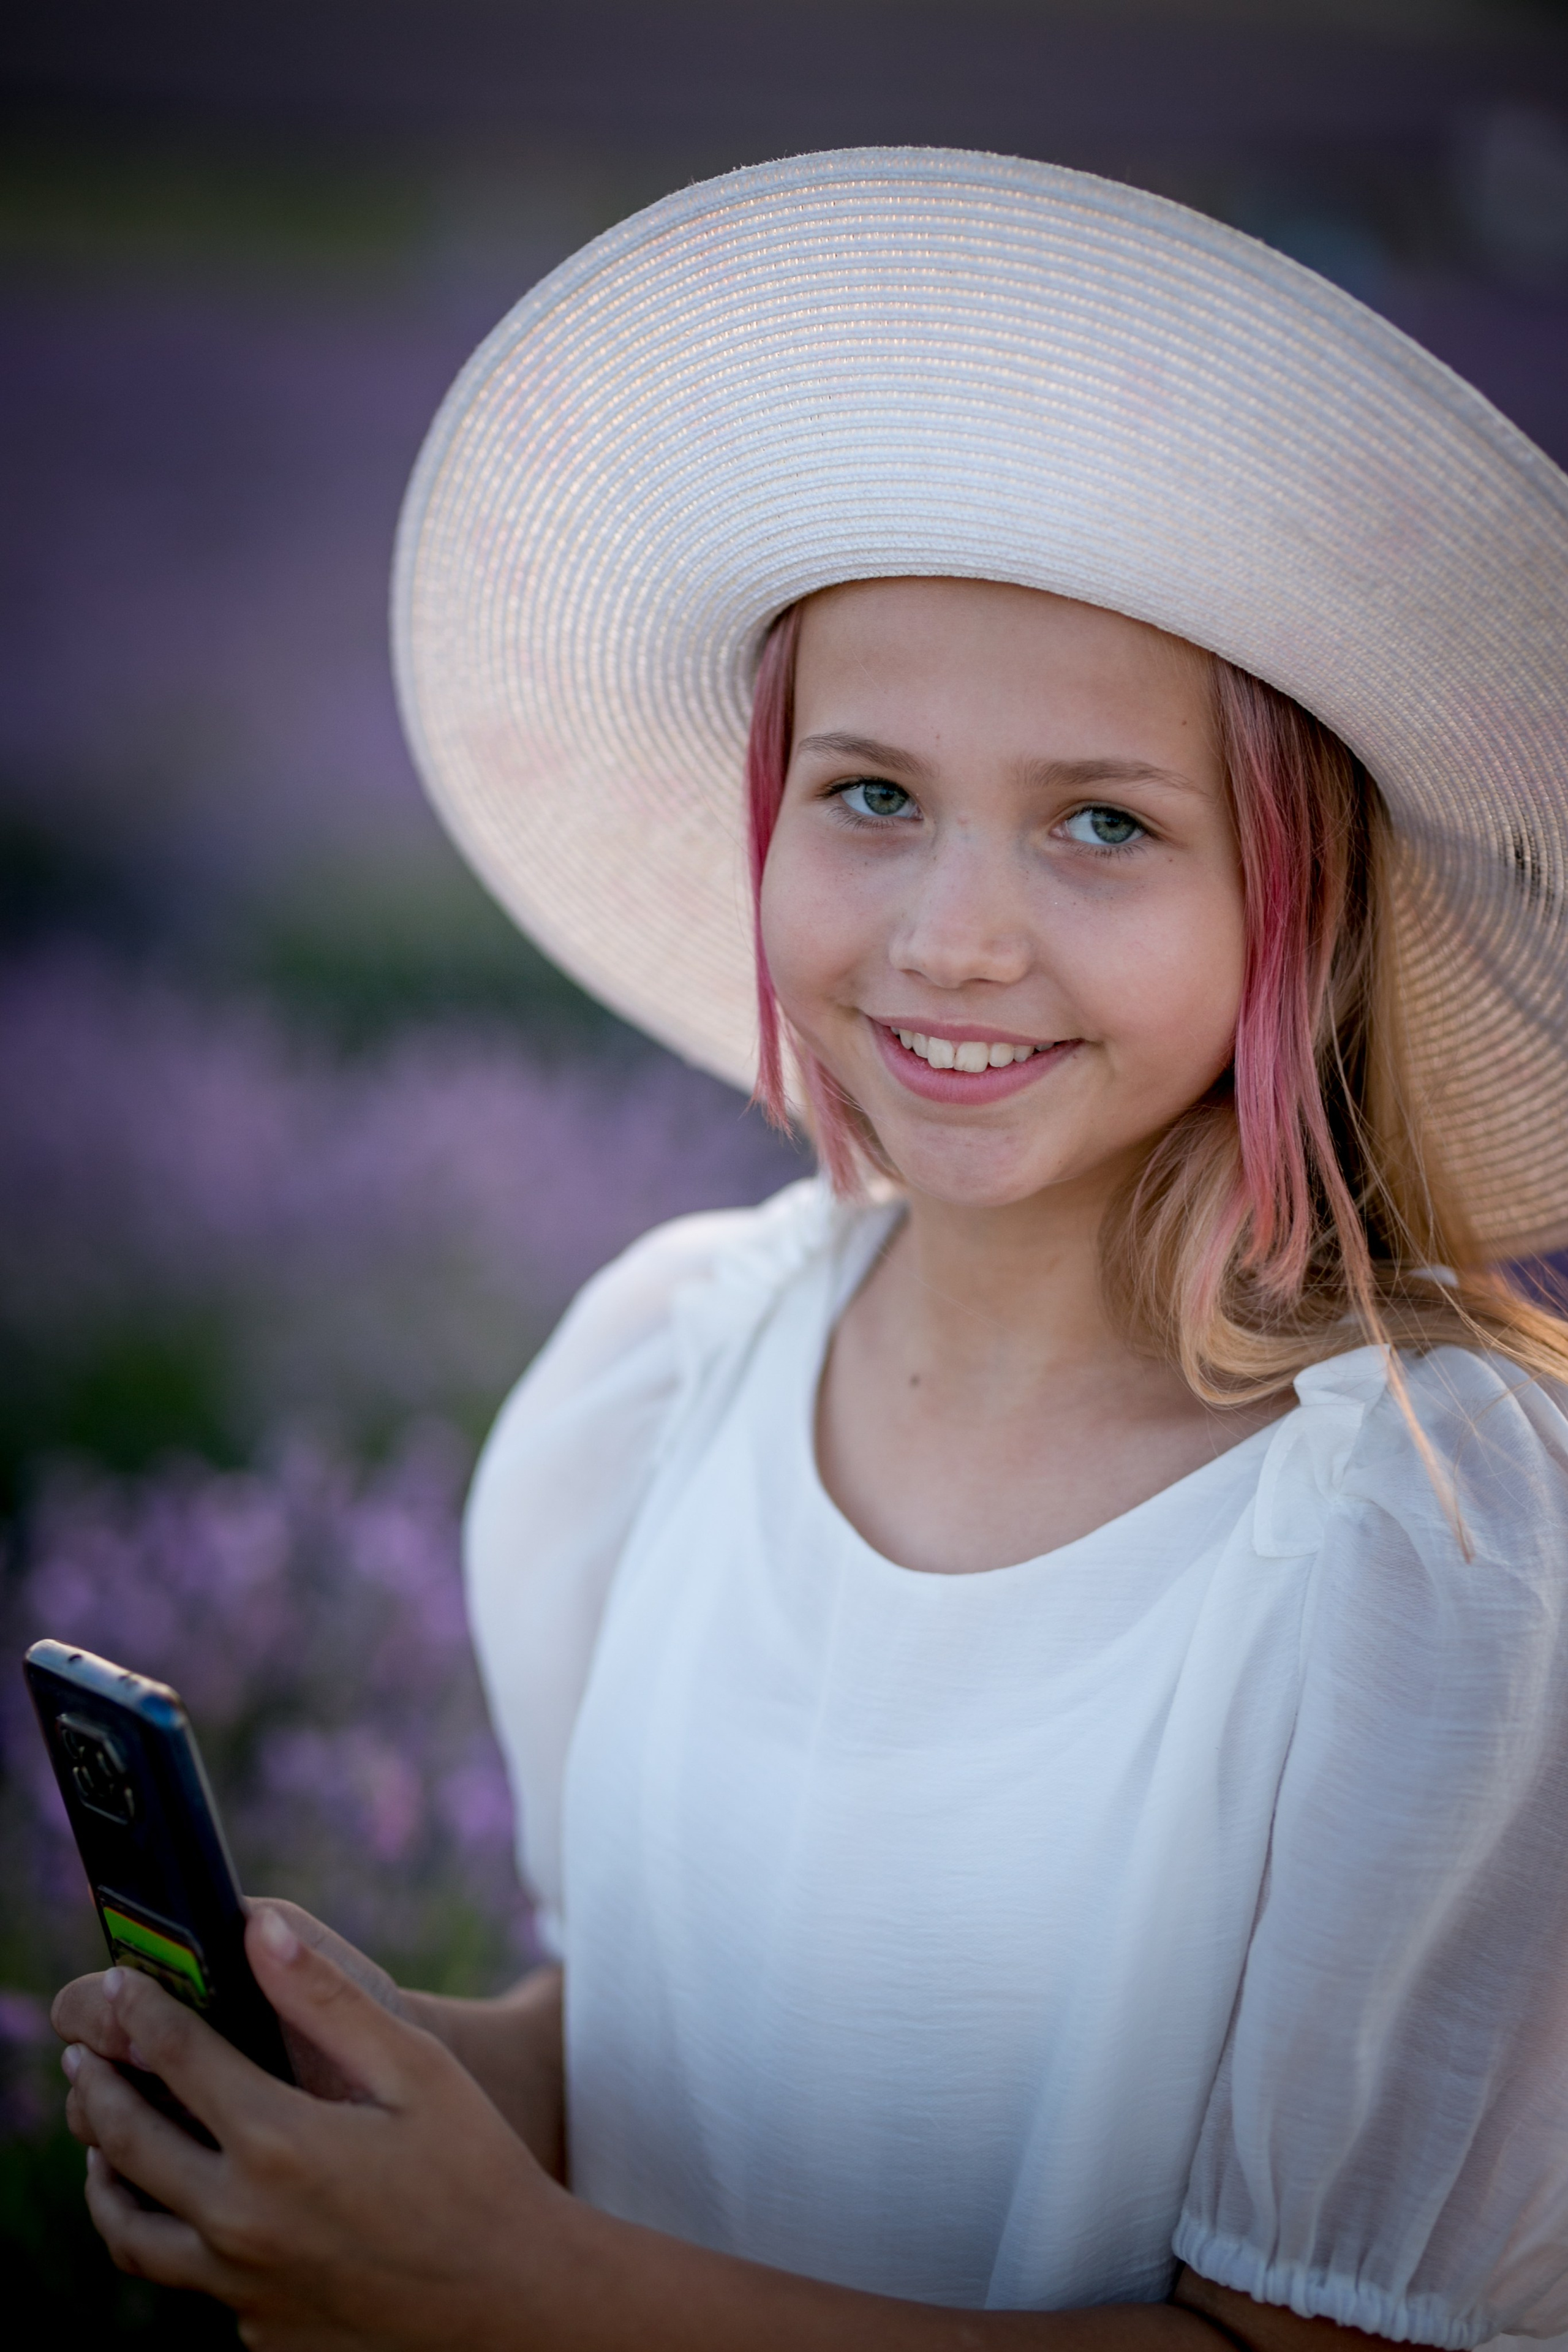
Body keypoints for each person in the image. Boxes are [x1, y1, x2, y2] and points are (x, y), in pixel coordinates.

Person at [51, 148, 1568, 2352]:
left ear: (1296, 906)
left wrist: (514, 2289)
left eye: (1104, 823)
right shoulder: (676, 1369)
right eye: (871, 795)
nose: (953, 937)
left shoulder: (1424, 1542)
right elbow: (643, 2066)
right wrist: (364, 2090)